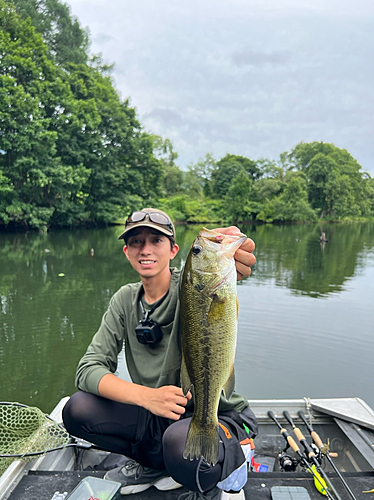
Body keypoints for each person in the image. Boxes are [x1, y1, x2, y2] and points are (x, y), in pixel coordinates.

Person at [62, 208, 257, 500]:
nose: (146, 249)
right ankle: (154, 467)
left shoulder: (192, 285)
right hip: (161, 414)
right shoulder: (124, 300)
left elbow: (226, 264)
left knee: (181, 445)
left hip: (219, 413)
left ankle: (216, 476)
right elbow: (88, 369)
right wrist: (146, 397)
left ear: (174, 250)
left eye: (156, 240)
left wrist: (230, 248)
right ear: (127, 251)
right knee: (77, 409)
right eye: (137, 242)